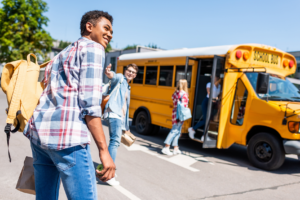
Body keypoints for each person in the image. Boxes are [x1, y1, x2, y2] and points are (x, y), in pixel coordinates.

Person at [23, 10, 115, 199]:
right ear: (89, 27)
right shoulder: (94, 48)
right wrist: (104, 152)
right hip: (68, 139)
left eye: (112, 31)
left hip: (39, 137)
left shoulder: (62, 54)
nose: (110, 34)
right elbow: (90, 106)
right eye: (106, 28)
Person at [103, 63, 137, 185]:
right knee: (114, 142)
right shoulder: (120, 78)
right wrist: (108, 72)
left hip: (118, 117)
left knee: (114, 143)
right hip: (113, 113)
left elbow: (124, 108)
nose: (131, 73)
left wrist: (125, 126)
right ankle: (109, 174)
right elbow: (113, 76)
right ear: (125, 71)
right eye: (129, 71)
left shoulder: (127, 86)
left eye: (133, 72)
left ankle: (106, 167)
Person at [161, 79, 189, 156]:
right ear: (185, 85)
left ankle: (176, 148)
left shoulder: (175, 93)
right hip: (180, 114)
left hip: (175, 112)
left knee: (178, 131)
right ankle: (166, 147)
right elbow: (184, 105)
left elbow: (174, 101)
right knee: (174, 130)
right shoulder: (184, 94)